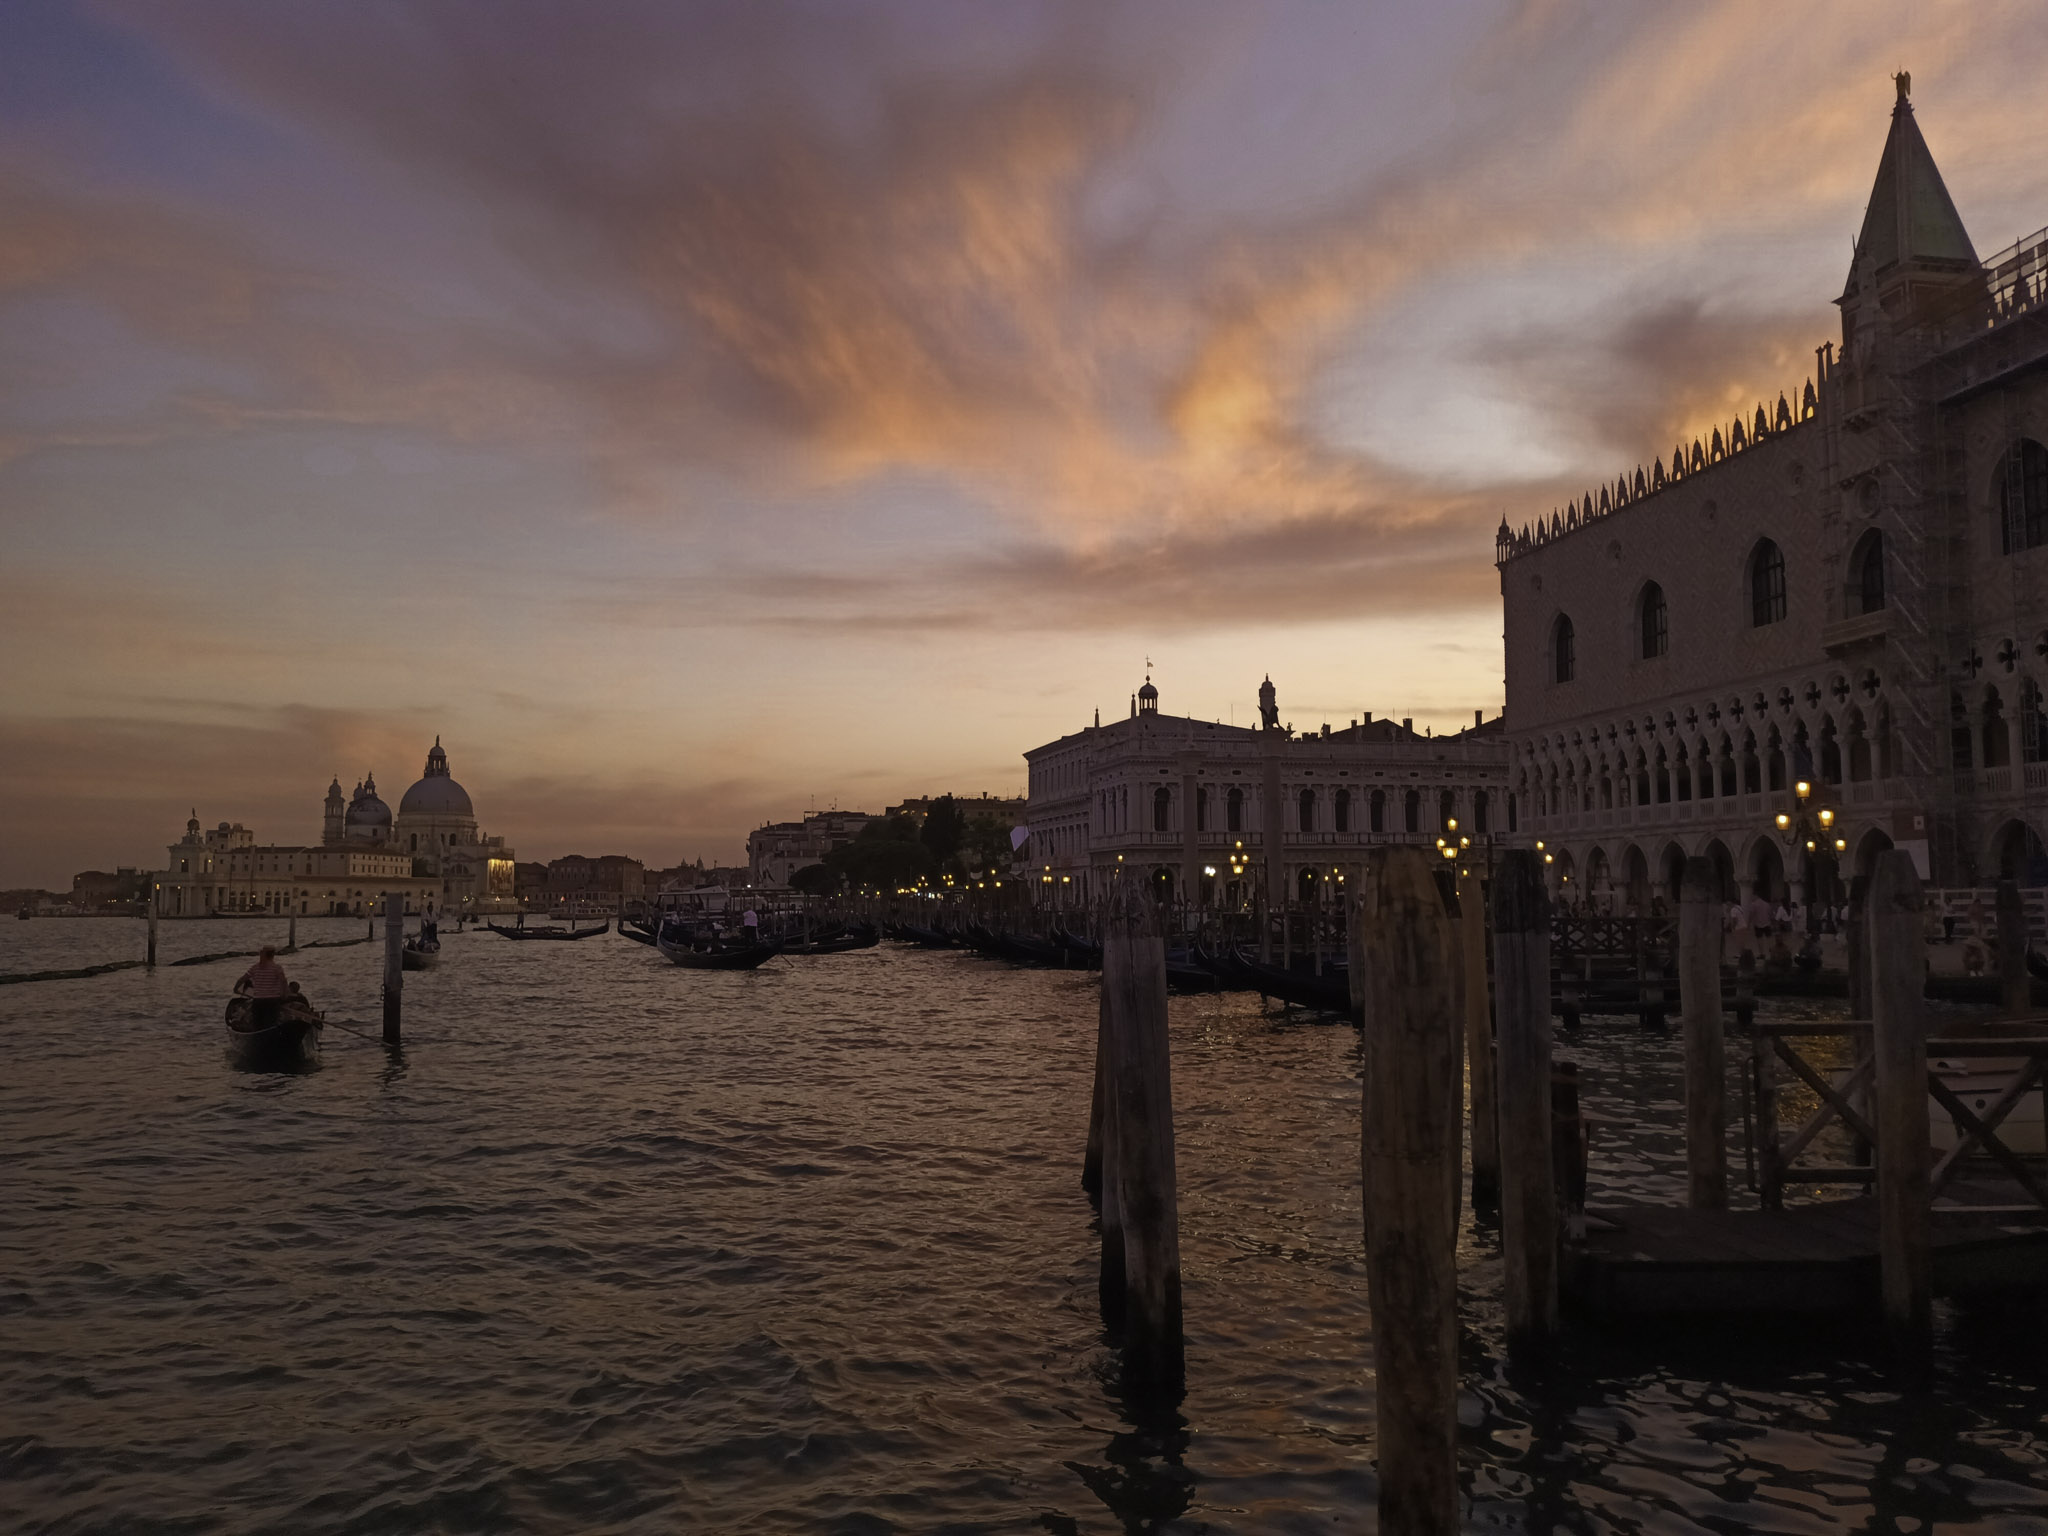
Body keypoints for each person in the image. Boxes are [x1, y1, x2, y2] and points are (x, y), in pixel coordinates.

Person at [234, 946, 291, 1028]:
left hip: (258, 1000)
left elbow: (242, 979)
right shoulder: (277, 968)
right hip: (272, 1000)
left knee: (258, 1025)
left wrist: (235, 989)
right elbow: (283, 981)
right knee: (271, 1024)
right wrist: (284, 994)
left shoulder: (255, 967)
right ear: (273, 955)